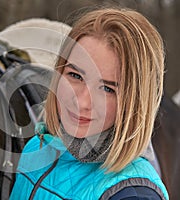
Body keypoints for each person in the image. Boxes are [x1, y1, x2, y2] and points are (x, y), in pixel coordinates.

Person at [10, 7, 169, 200]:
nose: (81, 101)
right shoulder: (36, 149)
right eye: (75, 76)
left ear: (133, 104)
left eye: (107, 89)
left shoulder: (132, 194)